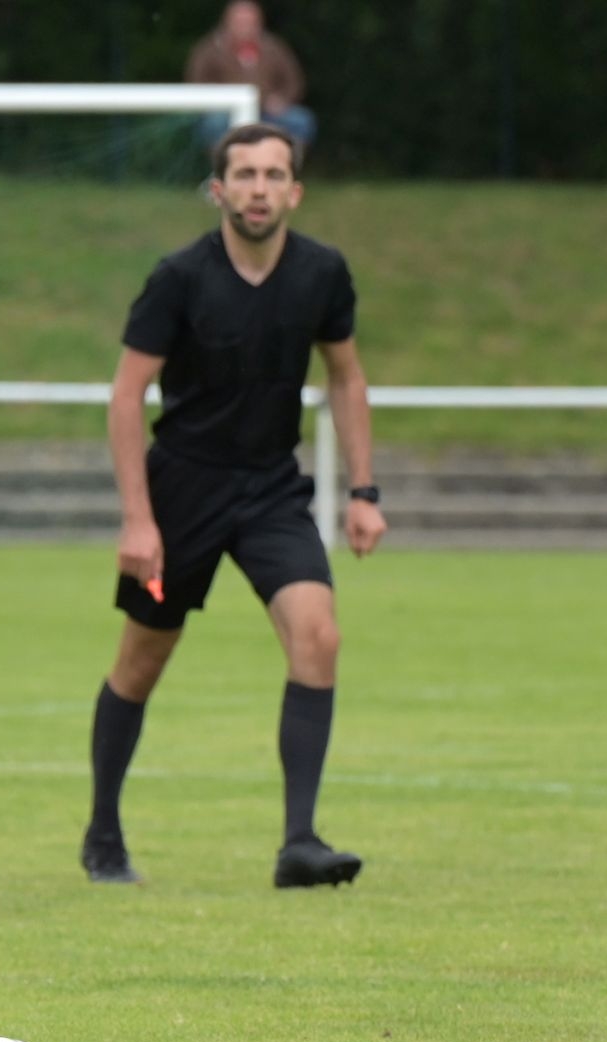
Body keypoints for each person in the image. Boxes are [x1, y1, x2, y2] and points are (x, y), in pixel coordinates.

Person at [80, 122, 385, 890]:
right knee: (142, 661)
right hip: (182, 491)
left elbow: (346, 377)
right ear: (219, 189)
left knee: (318, 635)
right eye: (244, 174)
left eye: (273, 174)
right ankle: (103, 835)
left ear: (294, 192)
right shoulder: (178, 278)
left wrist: (363, 492)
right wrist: (139, 518)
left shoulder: (322, 272)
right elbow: (126, 395)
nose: (258, 188)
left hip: (272, 489)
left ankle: (299, 845)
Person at [186, 2, 318, 153]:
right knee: (214, 124)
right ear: (226, 22)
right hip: (225, 113)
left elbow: (294, 81)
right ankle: (225, 164)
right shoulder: (210, 49)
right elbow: (196, 81)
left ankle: (282, 163)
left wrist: (281, 100)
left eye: (250, 22)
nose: (245, 27)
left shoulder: (274, 48)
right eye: (239, 22)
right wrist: (219, 101)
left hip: (267, 112)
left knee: (301, 120)